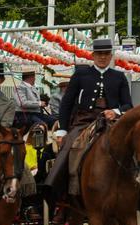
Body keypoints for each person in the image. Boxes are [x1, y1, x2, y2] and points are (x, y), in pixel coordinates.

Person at [48, 38, 134, 199]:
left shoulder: (119, 77)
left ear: (111, 56)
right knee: (69, 147)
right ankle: (60, 195)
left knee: (132, 148)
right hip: (84, 121)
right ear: (93, 55)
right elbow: (66, 103)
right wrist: (62, 130)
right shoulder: (81, 74)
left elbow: (128, 105)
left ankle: (138, 194)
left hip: (111, 122)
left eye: (106, 54)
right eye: (99, 54)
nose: (102, 57)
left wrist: (115, 111)